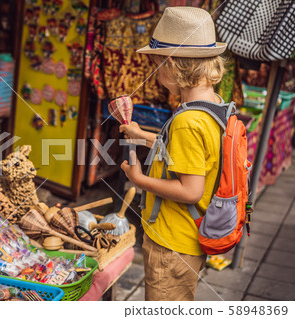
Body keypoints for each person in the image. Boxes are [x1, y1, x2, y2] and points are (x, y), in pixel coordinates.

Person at [120, 7, 227, 301]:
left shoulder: (186, 122)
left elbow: (191, 190)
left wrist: (138, 179)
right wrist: (144, 137)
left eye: (157, 64)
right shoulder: (214, 105)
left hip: (172, 243)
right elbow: (194, 155)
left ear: (171, 66)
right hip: (188, 238)